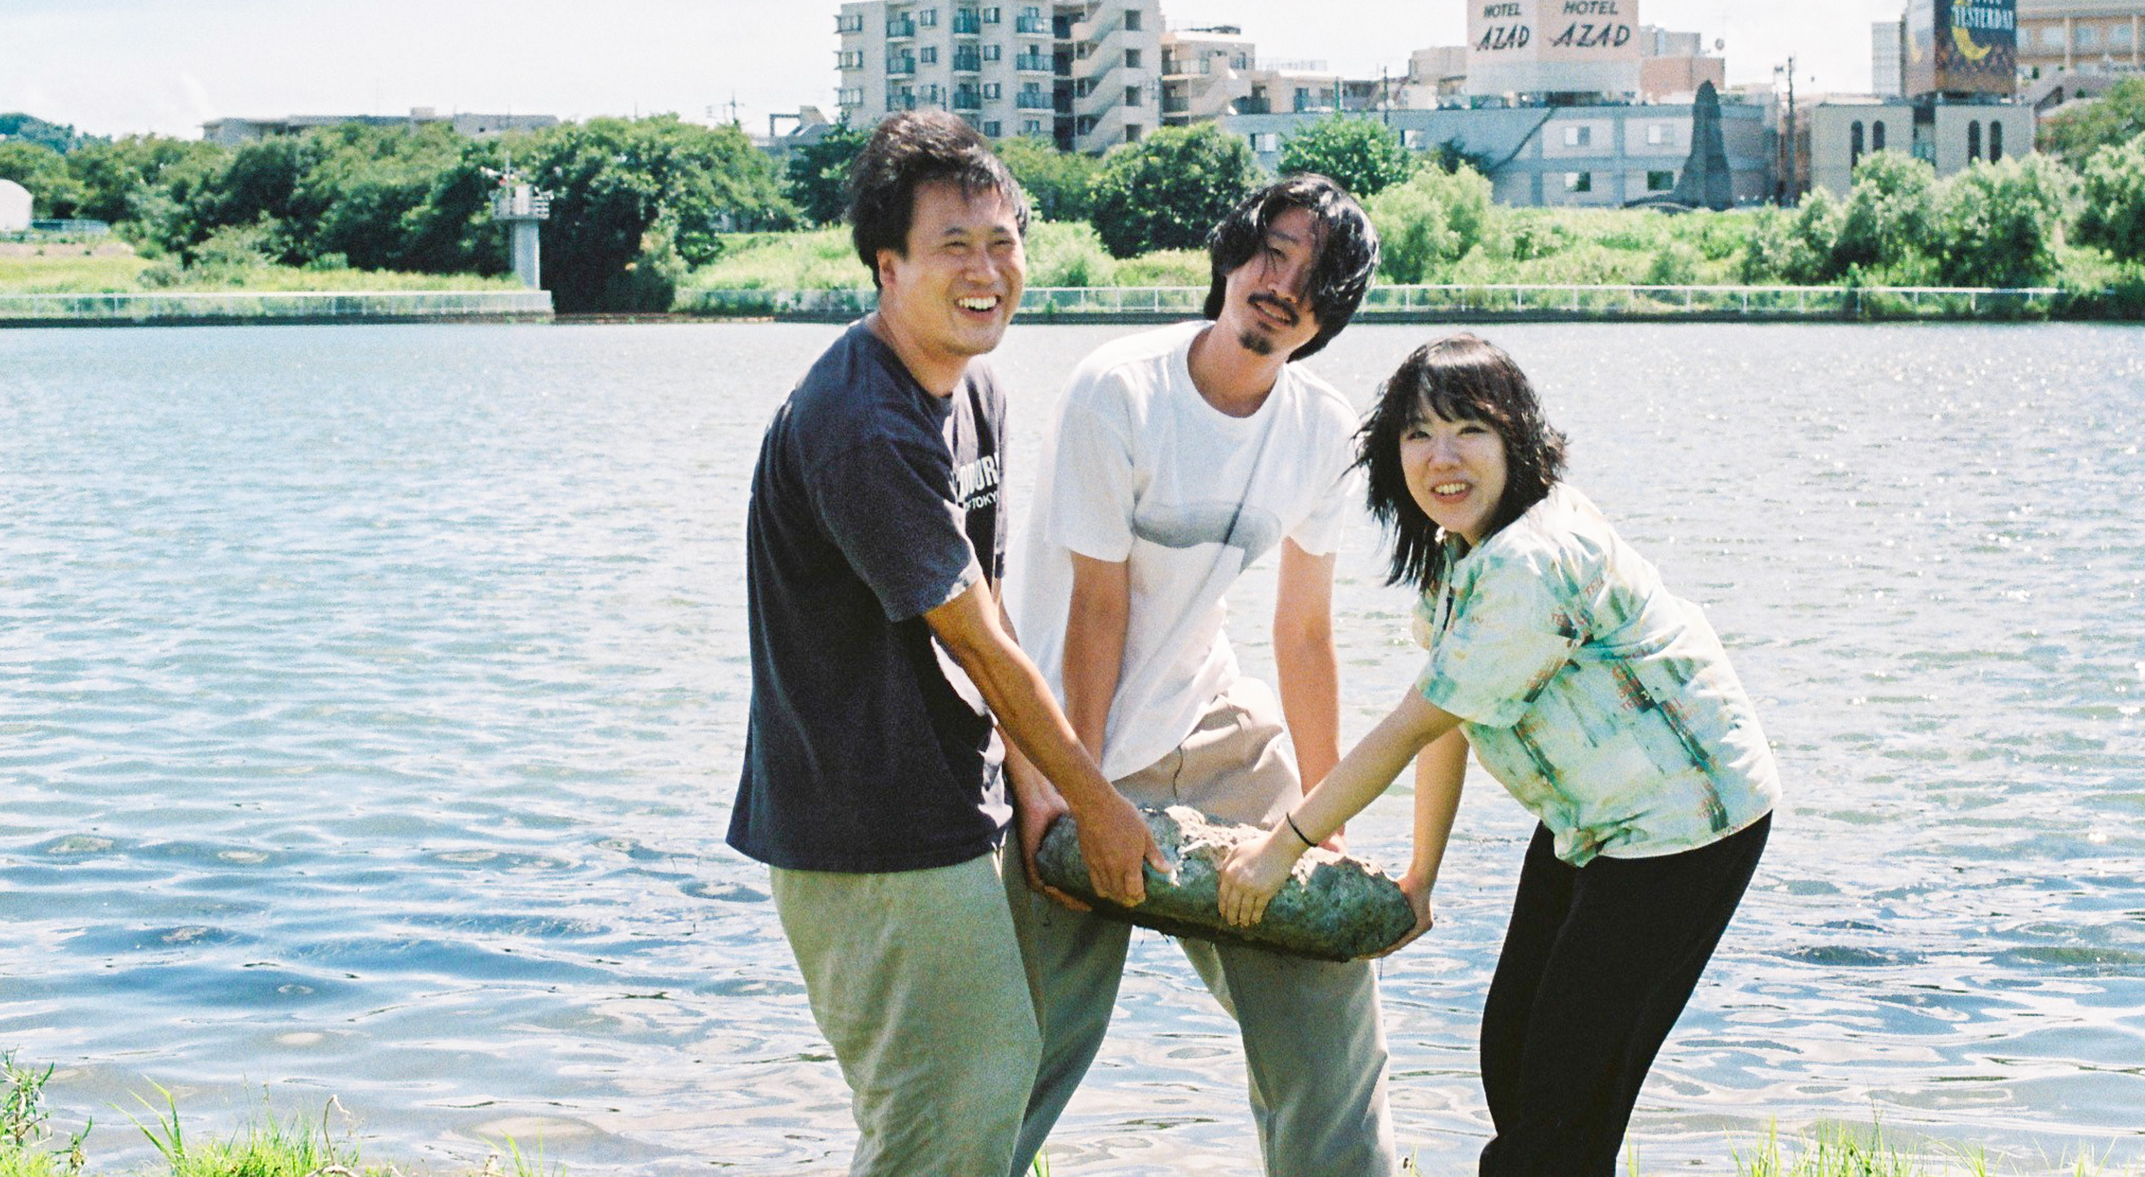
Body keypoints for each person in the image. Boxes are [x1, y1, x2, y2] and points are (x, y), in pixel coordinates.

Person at [1218, 333, 1780, 1177]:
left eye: (1467, 430)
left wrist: (1281, 848)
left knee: (1557, 1110)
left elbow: (1410, 726)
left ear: (1516, 435)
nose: (1441, 457)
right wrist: (1421, 876)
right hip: (1597, 819)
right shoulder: (1463, 552)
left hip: (1684, 825)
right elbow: (1446, 715)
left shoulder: (1528, 562)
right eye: (1416, 435)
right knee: (1514, 1051)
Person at [728, 111, 1164, 1177]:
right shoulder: (861, 426)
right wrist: (1094, 798)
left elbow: (993, 591)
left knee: (1029, 1045)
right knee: (949, 1106)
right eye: (951, 247)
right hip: (863, 826)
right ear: (887, 266)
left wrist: (1041, 789)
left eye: (1002, 238)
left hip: (953, 794)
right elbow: (968, 635)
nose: (986, 270)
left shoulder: (975, 387)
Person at [1005, 173, 1395, 1177]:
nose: (1281, 283)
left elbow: (1303, 632)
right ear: (1229, 252)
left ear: (1332, 310)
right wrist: (1076, 797)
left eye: (1314, 273)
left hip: (1212, 722)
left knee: (1326, 997)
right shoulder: (1119, 389)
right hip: (1063, 735)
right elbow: (1097, 614)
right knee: (1023, 1062)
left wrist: (1323, 818)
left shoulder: (1320, 426)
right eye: (1271, 249)